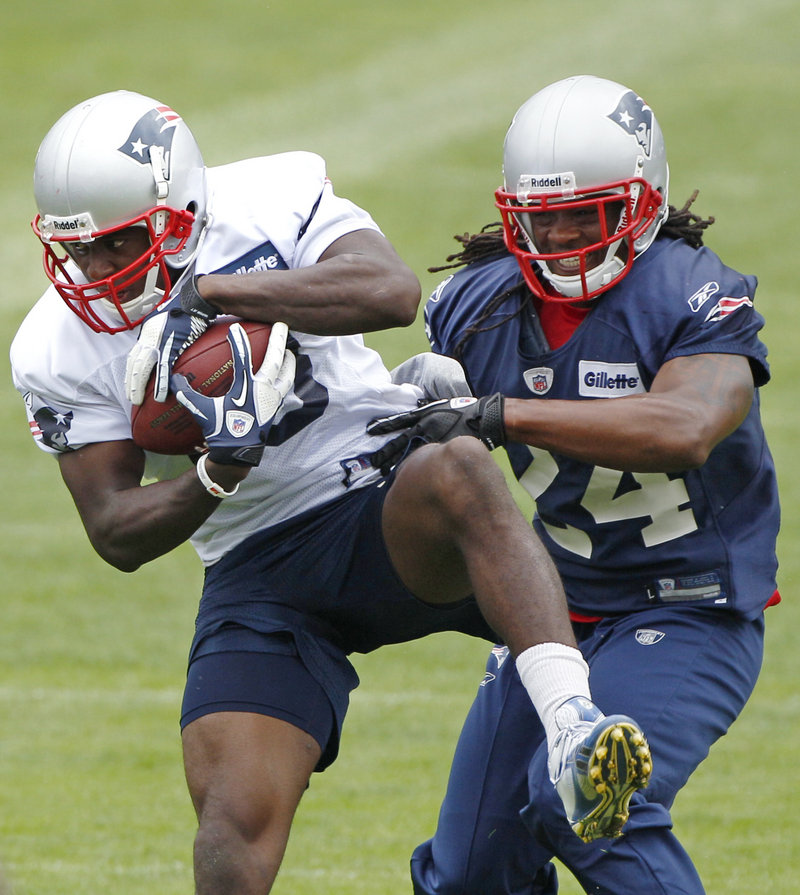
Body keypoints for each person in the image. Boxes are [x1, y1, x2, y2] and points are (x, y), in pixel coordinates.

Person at [10, 90, 651, 895]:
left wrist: (217, 294)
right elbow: (113, 528)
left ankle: (570, 729)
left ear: (180, 213)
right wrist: (217, 471)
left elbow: (390, 290)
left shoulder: (271, 199)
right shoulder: (50, 346)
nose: (98, 275)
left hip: (377, 494)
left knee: (457, 467)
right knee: (231, 827)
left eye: (119, 244)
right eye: (80, 253)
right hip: (256, 558)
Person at [369, 75, 781, 894]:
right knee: (471, 872)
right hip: (553, 616)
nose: (557, 237)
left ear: (641, 202)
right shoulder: (475, 304)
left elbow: (684, 428)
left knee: (588, 804)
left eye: (582, 215)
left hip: (690, 609)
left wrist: (501, 415)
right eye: (540, 217)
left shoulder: (690, 293)